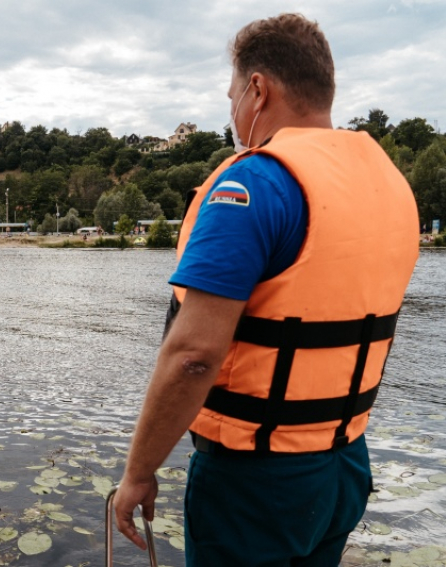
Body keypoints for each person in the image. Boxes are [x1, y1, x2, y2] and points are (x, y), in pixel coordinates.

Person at [113, 13, 419, 566]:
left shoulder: (254, 184)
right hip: (344, 465)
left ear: (258, 89)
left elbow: (192, 356)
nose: (231, 111)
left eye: (231, 94)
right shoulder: (391, 186)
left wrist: (138, 472)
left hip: (256, 482)